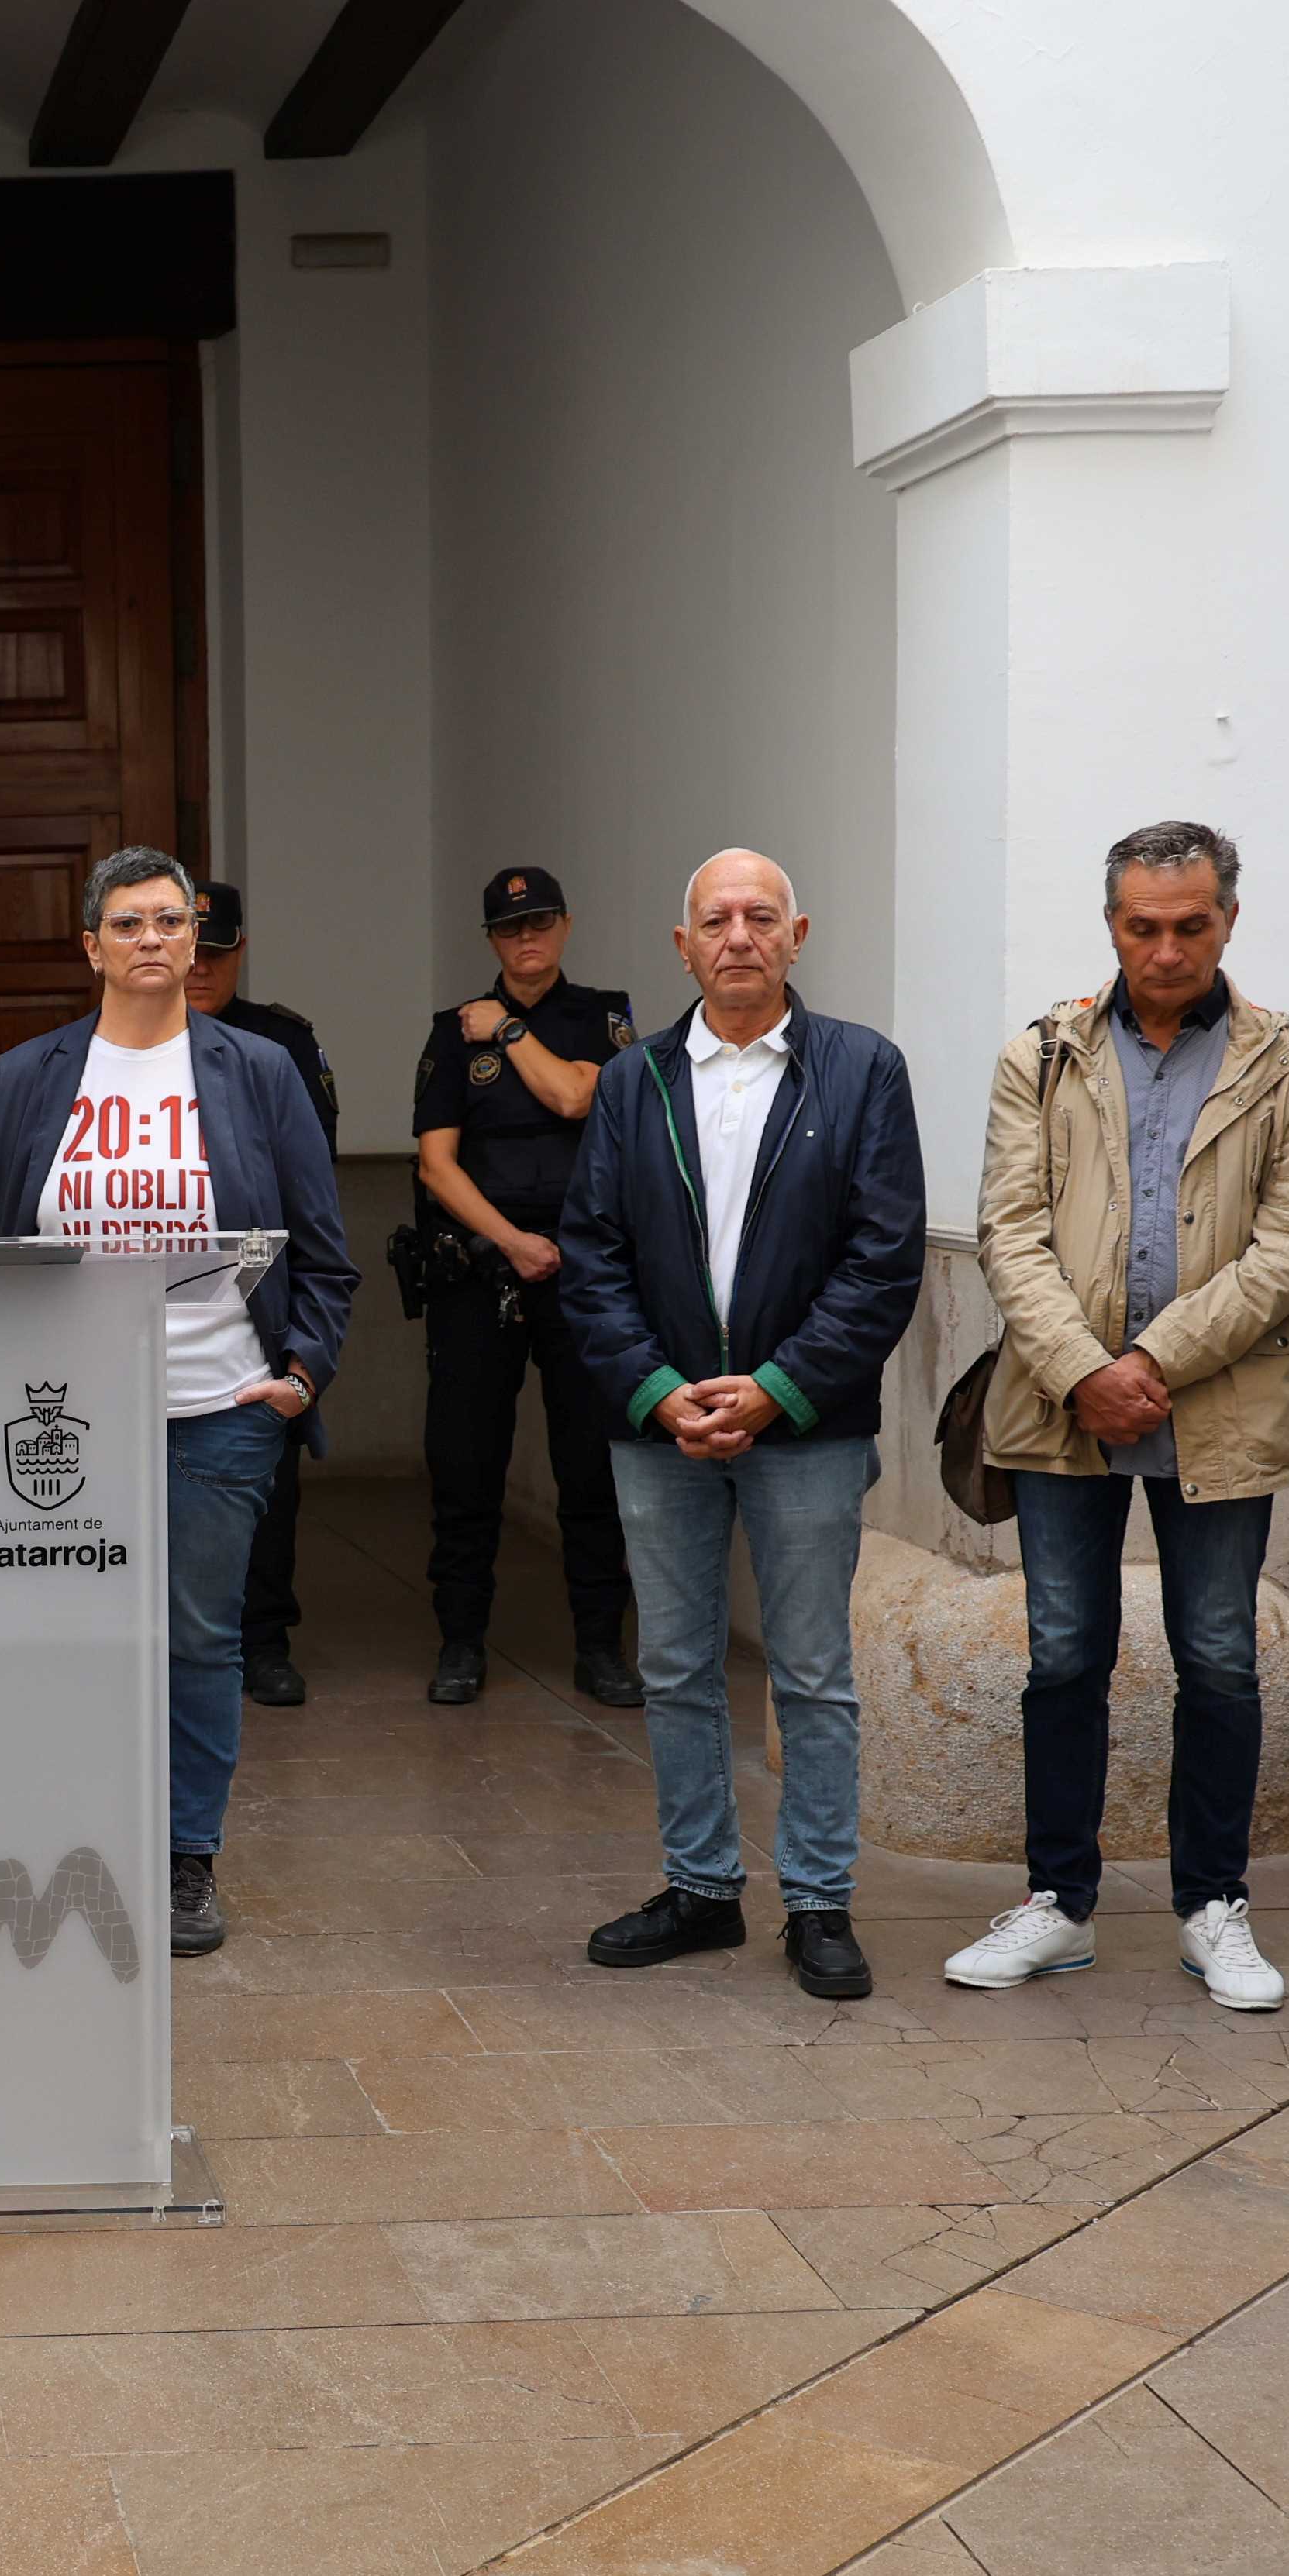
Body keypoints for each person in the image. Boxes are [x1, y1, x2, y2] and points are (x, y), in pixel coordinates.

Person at [944, 821, 1289, 2016]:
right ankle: (1059, 1905)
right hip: (1064, 1412)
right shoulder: (1044, 1056)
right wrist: (1084, 1371)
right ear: (1111, 924)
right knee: (1064, 1653)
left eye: (1191, 924)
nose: (1166, 949)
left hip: (1217, 1411)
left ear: (1228, 919)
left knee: (1219, 1659)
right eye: (1142, 926)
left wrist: (1153, 1361)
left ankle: (1212, 1905)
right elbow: (1008, 1229)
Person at [0, 847, 358, 1958]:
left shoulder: (258, 1072)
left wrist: (300, 1374)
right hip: (57, 1413)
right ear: (92, 946)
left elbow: (325, 1250)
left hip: (218, 1400)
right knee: (68, 1632)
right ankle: (70, 1840)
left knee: (200, 1637)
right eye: (130, 925)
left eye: (174, 923)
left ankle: (183, 1860)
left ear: (197, 943)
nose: (156, 941)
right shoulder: (30, 1076)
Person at [557, 850, 924, 2001]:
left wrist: (777, 1386)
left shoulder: (861, 1070)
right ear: (682, 949)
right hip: (658, 1429)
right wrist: (658, 1390)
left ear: (798, 933)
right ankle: (702, 1889)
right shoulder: (634, 1083)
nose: (738, 936)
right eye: (715, 920)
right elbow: (591, 1257)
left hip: (805, 1431)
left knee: (812, 1672)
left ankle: (818, 1901)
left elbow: (884, 1257)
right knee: (675, 1667)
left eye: (761, 916)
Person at [409, 864, 642, 1710]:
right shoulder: (447, 1033)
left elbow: (579, 1097)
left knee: (591, 1466)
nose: (527, 938)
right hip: (481, 1272)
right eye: (510, 929)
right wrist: (512, 1243)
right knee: (466, 1464)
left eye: (540, 922)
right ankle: (461, 1642)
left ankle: (599, 1647)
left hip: (584, 1277)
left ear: (566, 926)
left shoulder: (601, 1017)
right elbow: (437, 1164)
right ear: (492, 941)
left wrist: (505, 1029)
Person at [179, 882, 342, 1706]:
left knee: (267, 1490)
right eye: (190, 946)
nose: (199, 966)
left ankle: (264, 1639)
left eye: (216, 951)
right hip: (154, 1312)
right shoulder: (125, 1046)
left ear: (238, 951)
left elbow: (311, 1179)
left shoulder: (279, 1045)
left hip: (255, 1300)